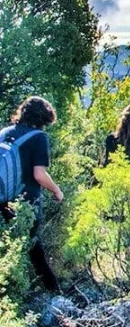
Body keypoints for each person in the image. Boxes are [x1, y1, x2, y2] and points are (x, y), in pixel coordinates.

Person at [0, 96, 63, 292]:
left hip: (2, 201)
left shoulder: (4, 132)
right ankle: (54, 292)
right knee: (33, 248)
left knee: (8, 247)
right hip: (25, 202)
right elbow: (39, 174)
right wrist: (57, 190)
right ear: (45, 118)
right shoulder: (38, 137)